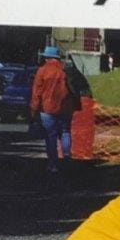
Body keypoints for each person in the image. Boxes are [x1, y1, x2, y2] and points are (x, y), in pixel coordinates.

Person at [30, 45, 72, 175]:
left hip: (47, 108)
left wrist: (33, 109)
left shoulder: (42, 71)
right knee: (65, 132)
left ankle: (53, 164)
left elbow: (36, 92)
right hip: (65, 108)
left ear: (47, 58)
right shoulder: (65, 70)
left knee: (51, 136)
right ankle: (67, 157)